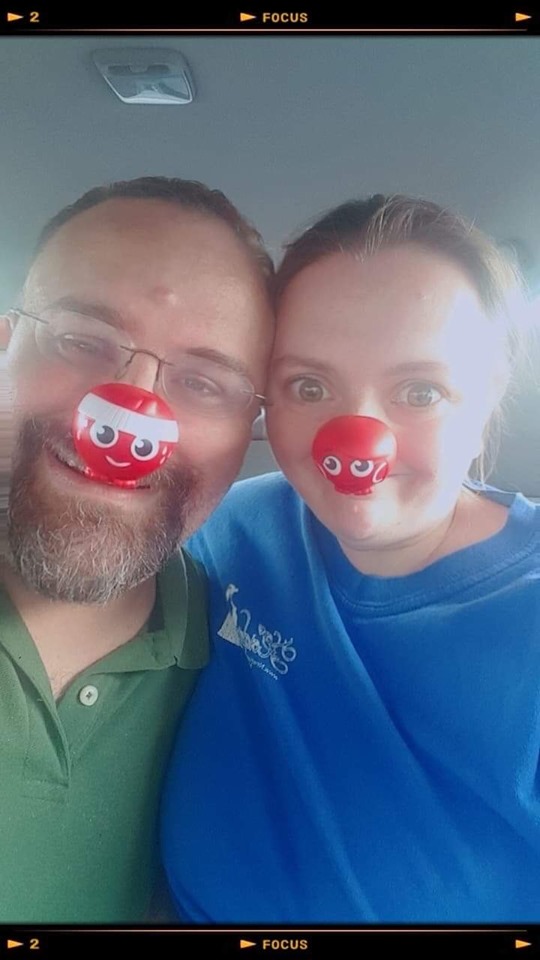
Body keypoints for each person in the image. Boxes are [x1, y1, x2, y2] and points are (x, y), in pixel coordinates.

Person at [161, 194, 540, 923]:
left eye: (420, 392)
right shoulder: (233, 528)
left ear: (487, 398)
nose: (357, 440)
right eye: (310, 386)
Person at [0, 175, 274, 922]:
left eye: (204, 382)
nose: (130, 413)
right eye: (82, 341)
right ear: (4, 345)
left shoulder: (248, 655)